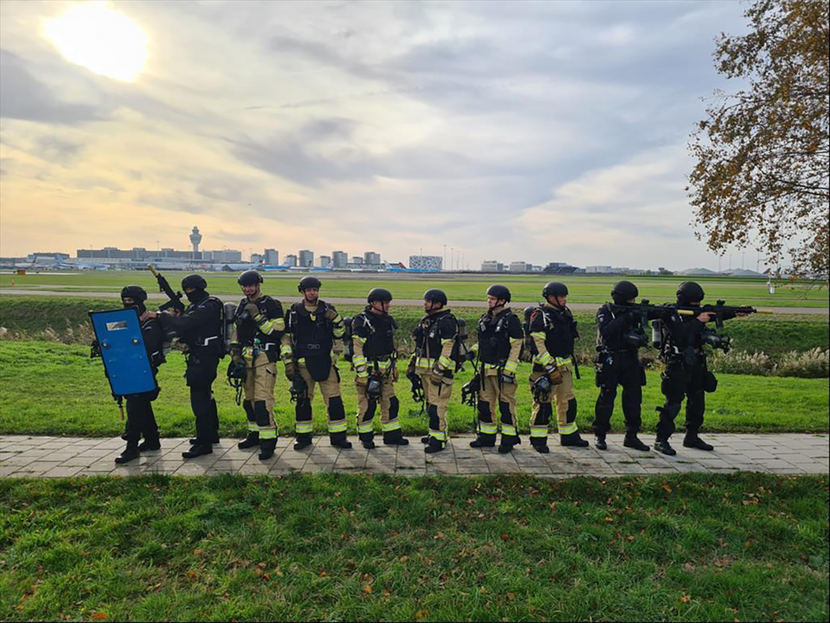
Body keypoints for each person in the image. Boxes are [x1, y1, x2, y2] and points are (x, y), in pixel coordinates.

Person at [654, 281, 740, 455]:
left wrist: (735, 313)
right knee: (674, 402)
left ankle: (691, 436)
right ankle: (661, 439)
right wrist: (699, 321)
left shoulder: (698, 312)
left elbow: (715, 315)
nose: (697, 306)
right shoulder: (671, 313)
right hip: (677, 363)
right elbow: (680, 333)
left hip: (697, 362)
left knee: (697, 401)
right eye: (695, 303)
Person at [142, 274, 223, 459]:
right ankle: (211, 434)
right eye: (186, 291)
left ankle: (204, 444)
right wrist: (174, 317)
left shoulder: (209, 305)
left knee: (199, 399)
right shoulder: (197, 305)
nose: (188, 294)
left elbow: (186, 323)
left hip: (205, 357)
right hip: (199, 356)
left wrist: (159, 316)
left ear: (199, 288)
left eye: (190, 290)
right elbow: (183, 327)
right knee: (206, 395)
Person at [280, 276, 350, 450]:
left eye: (315, 289)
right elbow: (286, 337)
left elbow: (340, 334)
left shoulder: (328, 309)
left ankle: (338, 437)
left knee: (334, 401)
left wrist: (336, 319)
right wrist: (288, 362)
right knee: (303, 401)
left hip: (325, 361)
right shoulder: (294, 312)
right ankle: (303, 438)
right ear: (302, 292)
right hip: (303, 363)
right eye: (309, 290)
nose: (313, 293)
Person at [229, 270, 285, 460]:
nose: (248, 289)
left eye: (251, 285)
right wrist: (235, 354)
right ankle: (254, 434)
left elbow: (278, 330)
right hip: (246, 359)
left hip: (264, 358)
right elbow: (237, 330)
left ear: (258, 285)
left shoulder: (271, 304)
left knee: (262, 401)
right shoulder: (242, 304)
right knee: (249, 400)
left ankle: (268, 441)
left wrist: (258, 317)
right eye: (245, 286)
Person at [527, 282, 588, 452]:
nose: (564, 299)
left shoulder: (564, 313)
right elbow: (537, 342)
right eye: (561, 296)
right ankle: (538, 440)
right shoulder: (540, 315)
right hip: (545, 369)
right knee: (543, 403)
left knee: (568, 401)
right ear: (550, 297)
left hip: (565, 367)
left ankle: (569, 436)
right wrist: (550, 366)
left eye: (565, 296)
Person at [591, 280, 652, 452]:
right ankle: (600, 434)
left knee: (633, 398)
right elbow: (606, 331)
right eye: (631, 299)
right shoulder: (606, 311)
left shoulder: (635, 310)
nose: (633, 302)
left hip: (630, 359)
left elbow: (656, 314)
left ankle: (632, 436)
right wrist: (627, 317)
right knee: (606, 397)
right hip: (610, 359)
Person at [469, 285, 524, 453]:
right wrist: (473, 351)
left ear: (502, 301)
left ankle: (508, 440)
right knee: (485, 405)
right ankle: (486, 437)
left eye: (492, 299)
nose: (489, 301)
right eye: (488, 298)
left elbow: (517, 346)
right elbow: (483, 342)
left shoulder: (511, 320)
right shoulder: (485, 319)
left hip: (502, 372)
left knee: (506, 406)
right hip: (486, 371)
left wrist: (509, 370)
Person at [352, 288, 409, 449]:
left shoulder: (386, 320)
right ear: (373, 303)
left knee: (391, 403)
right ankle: (366, 437)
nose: (388, 306)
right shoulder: (362, 321)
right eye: (385, 303)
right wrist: (362, 373)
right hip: (369, 371)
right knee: (367, 406)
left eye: (388, 302)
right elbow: (357, 349)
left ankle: (391, 436)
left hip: (387, 371)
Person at [115, 285, 165, 464]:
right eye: (125, 301)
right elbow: (112, 335)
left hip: (144, 368)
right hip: (127, 368)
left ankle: (131, 446)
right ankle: (152, 440)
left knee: (135, 405)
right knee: (141, 403)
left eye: (131, 301)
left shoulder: (150, 322)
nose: (127, 304)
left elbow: (148, 344)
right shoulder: (123, 321)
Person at [409, 289, 458, 454]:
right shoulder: (429, 320)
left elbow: (448, 348)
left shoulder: (446, 321)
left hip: (439, 373)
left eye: (427, 301)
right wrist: (412, 364)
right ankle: (434, 434)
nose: (424, 303)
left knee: (437, 407)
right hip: (426, 371)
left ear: (437, 304)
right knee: (431, 404)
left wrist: (439, 370)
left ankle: (439, 441)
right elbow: (421, 346)